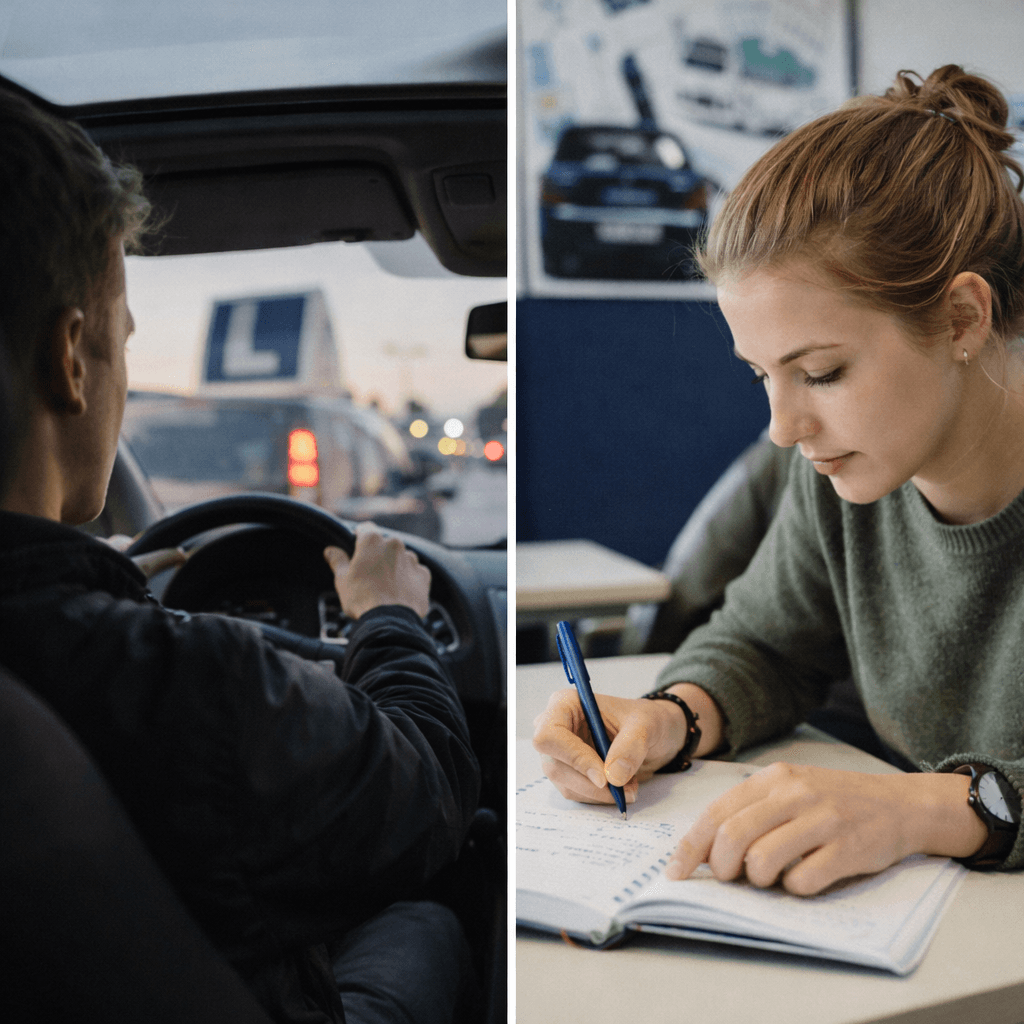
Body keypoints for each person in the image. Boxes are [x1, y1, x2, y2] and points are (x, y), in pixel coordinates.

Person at [0, 88, 479, 1023]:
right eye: (120, 338)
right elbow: (430, 793)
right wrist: (388, 618)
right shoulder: (185, 687)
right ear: (70, 357)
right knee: (427, 917)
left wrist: (101, 589)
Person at [534, 65, 1024, 896]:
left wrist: (925, 808)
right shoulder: (843, 474)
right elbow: (763, 644)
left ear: (961, 318)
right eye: (762, 375)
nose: (783, 429)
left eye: (822, 373)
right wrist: (671, 717)